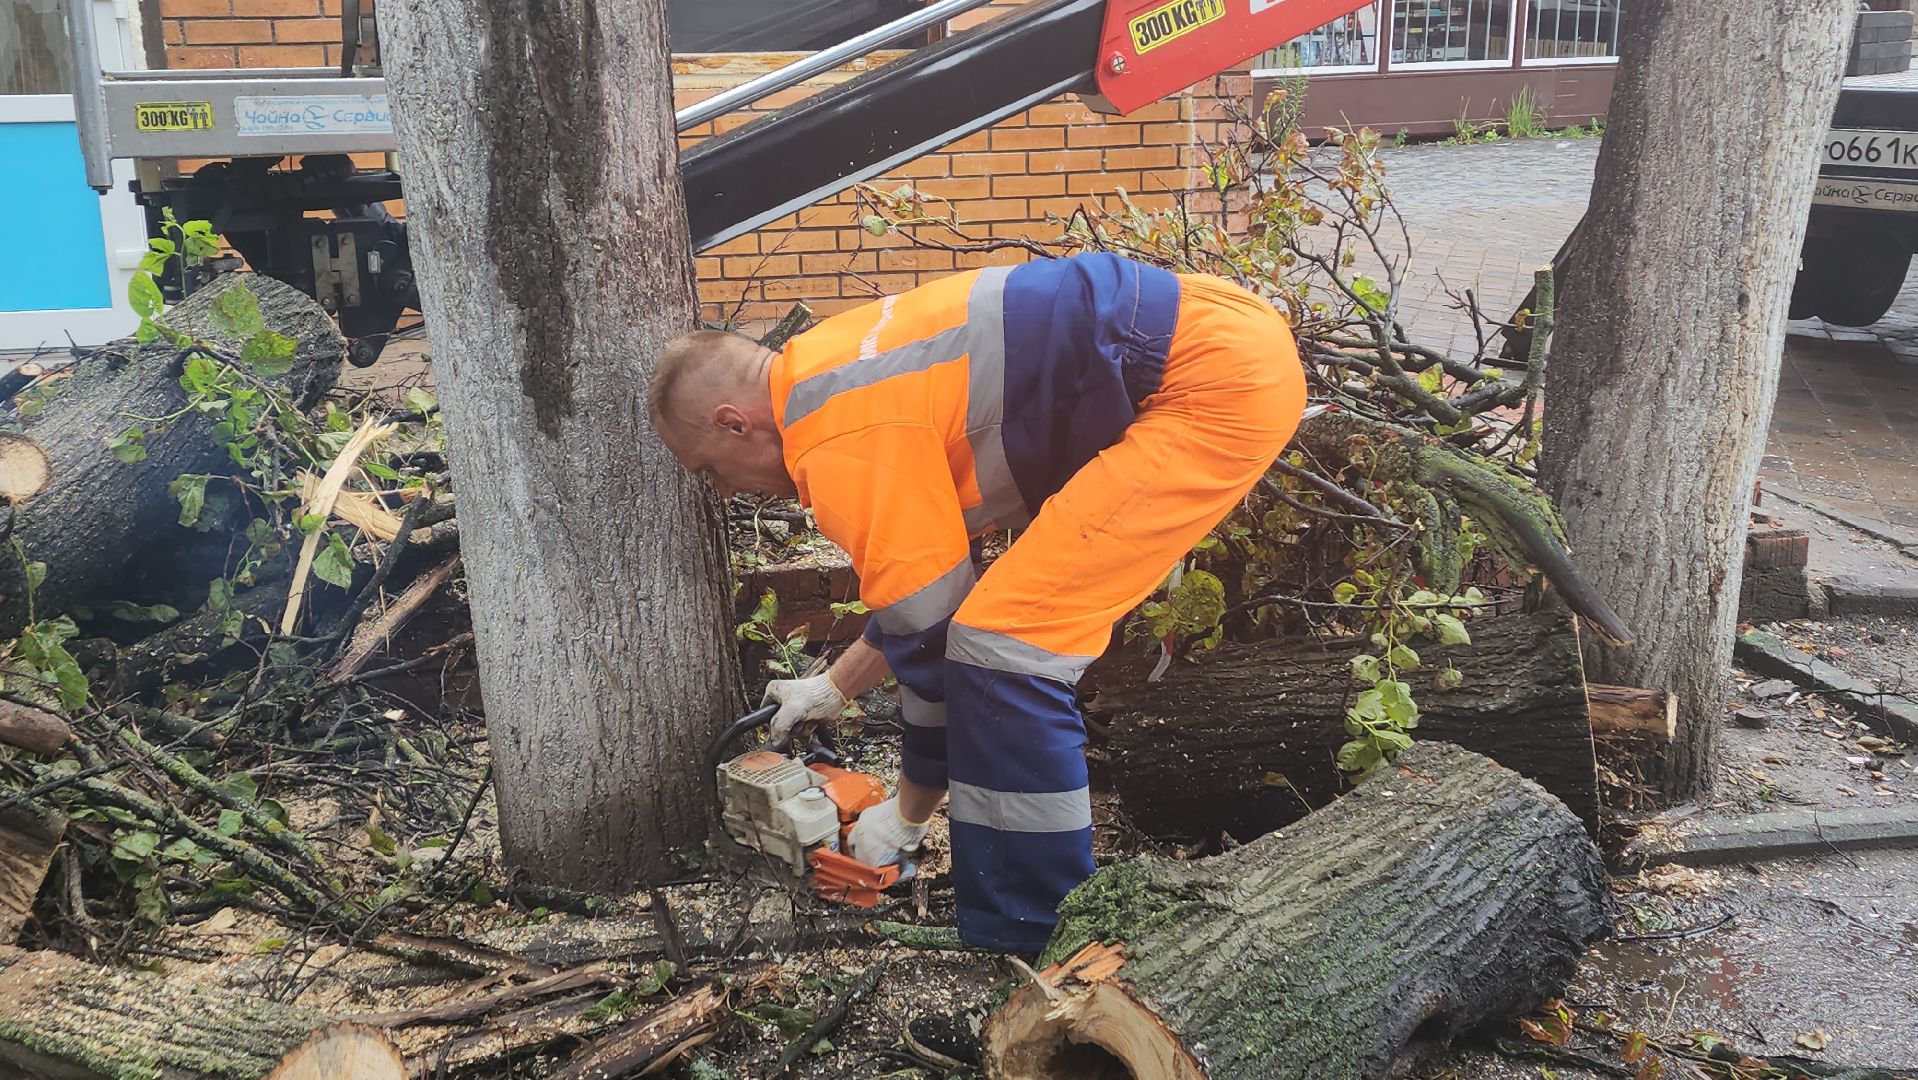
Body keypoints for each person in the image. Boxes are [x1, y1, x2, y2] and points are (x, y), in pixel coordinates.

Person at [648, 252, 1306, 954]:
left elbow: (934, 651)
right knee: (993, 635)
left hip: (1208, 383)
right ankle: (1037, 917)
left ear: (732, 422)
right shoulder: (826, 371)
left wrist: (904, 818)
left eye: (709, 471)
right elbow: (925, 596)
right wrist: (834, 688)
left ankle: (1040, 943)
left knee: (1004, 652)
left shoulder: (835, 439)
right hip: (1219, 328)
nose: (722, 491)